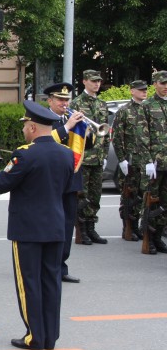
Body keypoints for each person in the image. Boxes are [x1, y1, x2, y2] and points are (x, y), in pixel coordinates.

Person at [0, 100, 75, 350]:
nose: (23, 130)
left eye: (25, 125)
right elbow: (65, 188)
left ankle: (34, 336)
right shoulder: (66, 153)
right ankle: (50, 336)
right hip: (56, 226)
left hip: (28, 229)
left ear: (32, 127)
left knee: (29, 282)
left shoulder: (25, 154)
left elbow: (0, 184)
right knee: (51, 281)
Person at [44, 82, 87, 282]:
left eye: (66, 100)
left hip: (71, 179)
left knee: (67, 225)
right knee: (50, 225)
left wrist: (86, 131)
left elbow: (85, 146)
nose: (64, 103)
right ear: (50, 101)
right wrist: (67, 126)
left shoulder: (71, 118)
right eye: (60, 99)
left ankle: (61, 266)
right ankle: (48, 266)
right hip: (51, 180)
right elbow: (44, 141)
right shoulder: (43, 118)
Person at [70, 69, 110, 244]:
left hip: (98, 157)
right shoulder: (76, 103)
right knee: (82, 195)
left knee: (95, 195)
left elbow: (105, 132)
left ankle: (91, 227)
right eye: (93, 81)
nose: (97, 84)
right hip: (84, 158)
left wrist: (105, 154)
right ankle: (82, 230)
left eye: (98, 81)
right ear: (84, 81)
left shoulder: (102, 104)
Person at [112, 80, 150, 246]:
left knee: (142, 195)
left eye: (145, 90)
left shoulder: (147, 109)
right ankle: (128, 227)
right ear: (132, 91)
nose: (144, 92)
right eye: (140, 90)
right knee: (129, 196)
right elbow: (117, 137)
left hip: (145, 160)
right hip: (130, 160)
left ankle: (137, 226)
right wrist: (121, 159)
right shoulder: (124, 111)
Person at [141, 70, 167, 253]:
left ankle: (158, 237)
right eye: (163, 83)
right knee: (151, 201)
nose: (166, 87)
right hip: (156, 163)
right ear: (155, 84)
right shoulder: (147, 105)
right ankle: (148, 238)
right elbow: (142, 136)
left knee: (165, 203)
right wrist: (147, 161)